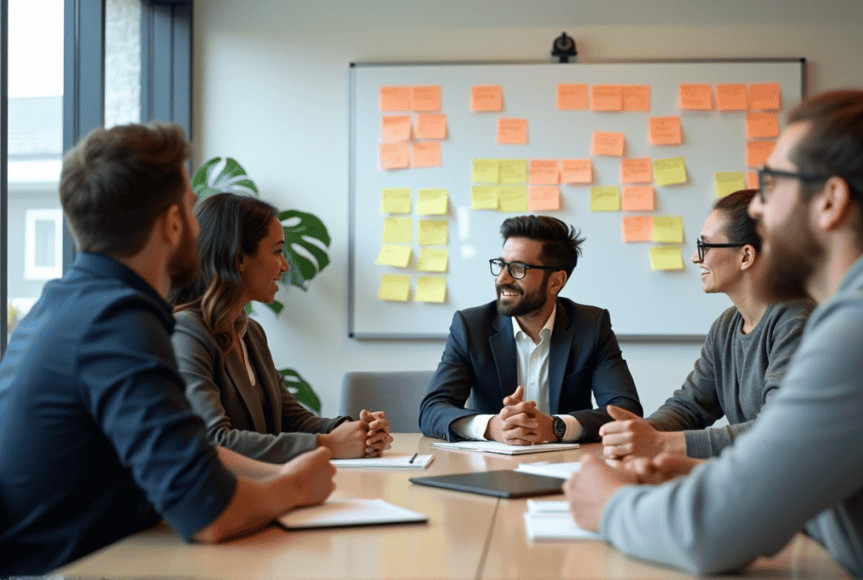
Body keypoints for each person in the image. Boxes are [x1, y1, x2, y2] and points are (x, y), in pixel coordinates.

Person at [564, 39, 863, 578]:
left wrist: (608, 504)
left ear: (830, 200)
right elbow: (833, 502)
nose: (758, 207)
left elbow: (710, 535)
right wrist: (689, 476)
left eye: (770, 184)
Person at [0, 123, 336, 576]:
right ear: (173, 224)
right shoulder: (117, 322)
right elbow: (210, 513)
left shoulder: (61, 305)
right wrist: (294, 488)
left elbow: (189, 451)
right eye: (193, 211)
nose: (201, 228)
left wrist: (280, 475)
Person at [169, 193, 392, 463]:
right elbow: (216, 441)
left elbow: (292, 419)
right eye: (277, 251)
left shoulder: (250, 332)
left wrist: (354, 431)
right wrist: (330, 445)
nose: (285, 266)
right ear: (239, 257)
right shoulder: (187, 333)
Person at [599, 189, 813, 461]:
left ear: (745, 256)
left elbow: (775, 428)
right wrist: (640, 432)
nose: (695, 258)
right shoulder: (725, 326)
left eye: (706, 246)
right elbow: (689, 406)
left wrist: (660, 443)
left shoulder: (795, 319)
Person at [419, 215, 643, 444]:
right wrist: (491, 427)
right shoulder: (471, 326)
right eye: (501, 265)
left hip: (569, 466)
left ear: (555, 282)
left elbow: (626, 410)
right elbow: (432, 410)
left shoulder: (591, 326)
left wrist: (557, 427)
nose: (501, 279)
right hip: (493, 466)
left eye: (518, 268)